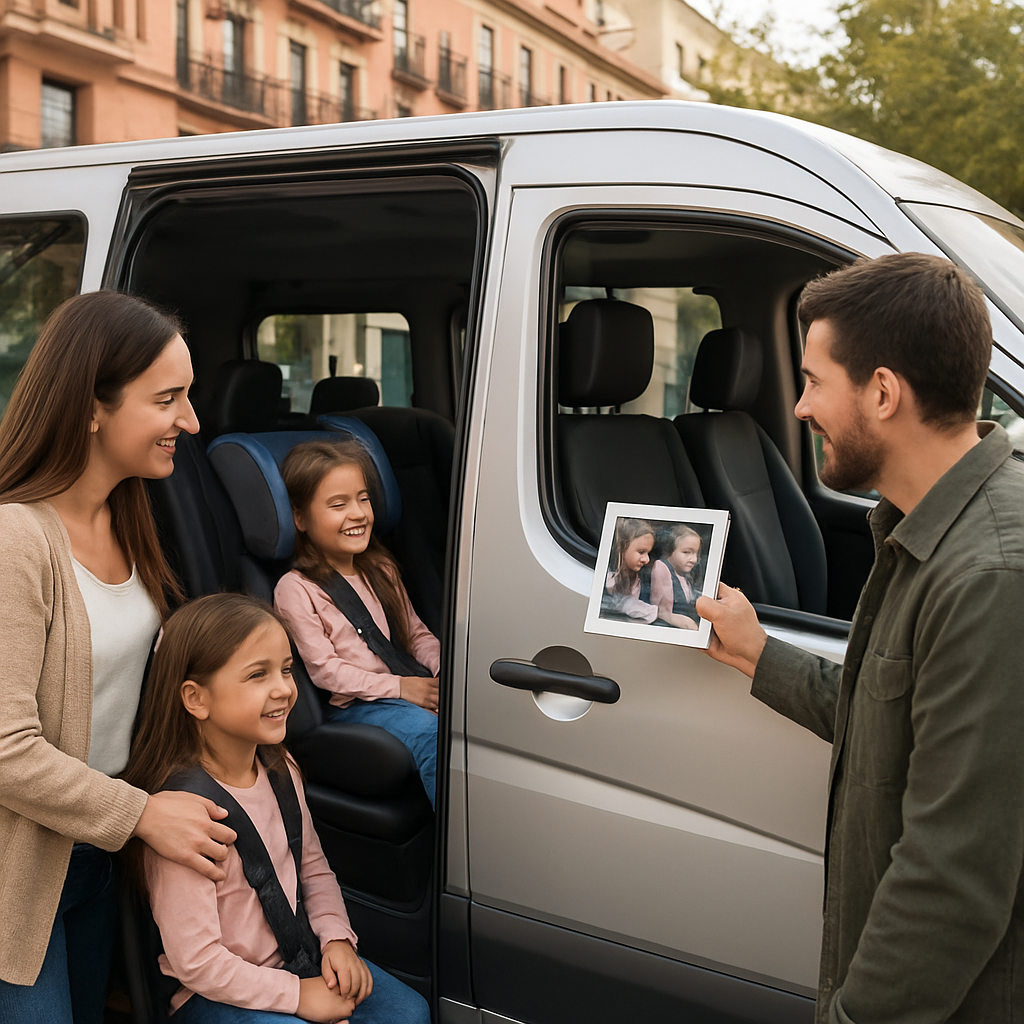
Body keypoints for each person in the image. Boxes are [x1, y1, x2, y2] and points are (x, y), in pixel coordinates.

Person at [697, 252, 1024, 1024]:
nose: (801, 407)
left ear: (882, 392)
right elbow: (891, 715)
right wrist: (758, 653)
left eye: (812, 380)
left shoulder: (990, 578)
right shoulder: (926, 522)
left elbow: (950, 884)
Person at [0, 291, 237, 1023]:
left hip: (97, 858)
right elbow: (6, 749)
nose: (191, 423)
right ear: (92, 407)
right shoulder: (18, 540)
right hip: (23, 872)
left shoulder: (133, 516)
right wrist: (141, 814)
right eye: (168, 399)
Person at [124, 592, 431, 1024]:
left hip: (297, 960)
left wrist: (337, 941)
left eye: (286, 670)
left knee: (409, 1013)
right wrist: (296, 996)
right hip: (215, 995)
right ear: (196, 699)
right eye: (257, 675)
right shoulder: (183, 814)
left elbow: (313, 867)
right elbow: (198, 962)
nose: (284, 689)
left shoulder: (279, 767)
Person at [273, 439, 440, 808]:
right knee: (435, 735)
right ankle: (459, 840)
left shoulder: (380, 569)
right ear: (299, 518)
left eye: (363, 499)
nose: (358, 513)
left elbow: (415, 634)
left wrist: (443, 670)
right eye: (338, 504)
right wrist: (402, 688)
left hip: (404, 685)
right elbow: (326, 671)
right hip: (357, 706)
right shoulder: (297, 588)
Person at [602, 517, 658, 623]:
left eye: (648, 553)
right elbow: (619, 602)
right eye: (641, 552)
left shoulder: (638, 575)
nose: (647, 560)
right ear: (622, 547)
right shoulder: (609, 578)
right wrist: (654, 612)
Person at [649, 525, 701, 630]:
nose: (694, 560)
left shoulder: (686, 575)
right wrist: (688, 624)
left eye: (696, 554)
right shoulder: (662, 567)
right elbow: (662, 612)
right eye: (687, 552)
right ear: (670, 551)